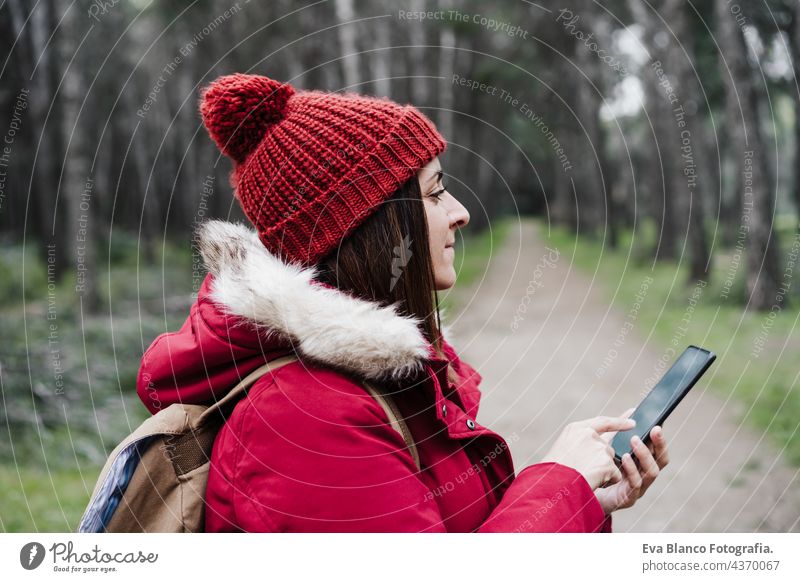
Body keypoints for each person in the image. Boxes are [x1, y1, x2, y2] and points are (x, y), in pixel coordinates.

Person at [135, 73, 669, 532]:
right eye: (435, 192)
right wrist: (561, 485)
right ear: (373, 226)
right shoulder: (302, 419)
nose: (459, 212)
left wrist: (583, 502)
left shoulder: (367, 382)